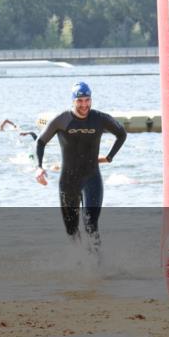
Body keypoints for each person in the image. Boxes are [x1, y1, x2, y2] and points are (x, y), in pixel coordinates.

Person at [34, 81, 127, 251]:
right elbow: (40, 142)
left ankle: (97, 267)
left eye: (87, 100)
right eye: (80, 101)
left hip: (92, 178)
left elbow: (121, 134)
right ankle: (79, 263)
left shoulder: (99, 118)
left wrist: (109, 157)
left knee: (91, 223)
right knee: (72, 229)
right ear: (73, 101)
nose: (84, 104)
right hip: (68, 181)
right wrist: (39, 167)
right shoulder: (61, 120)